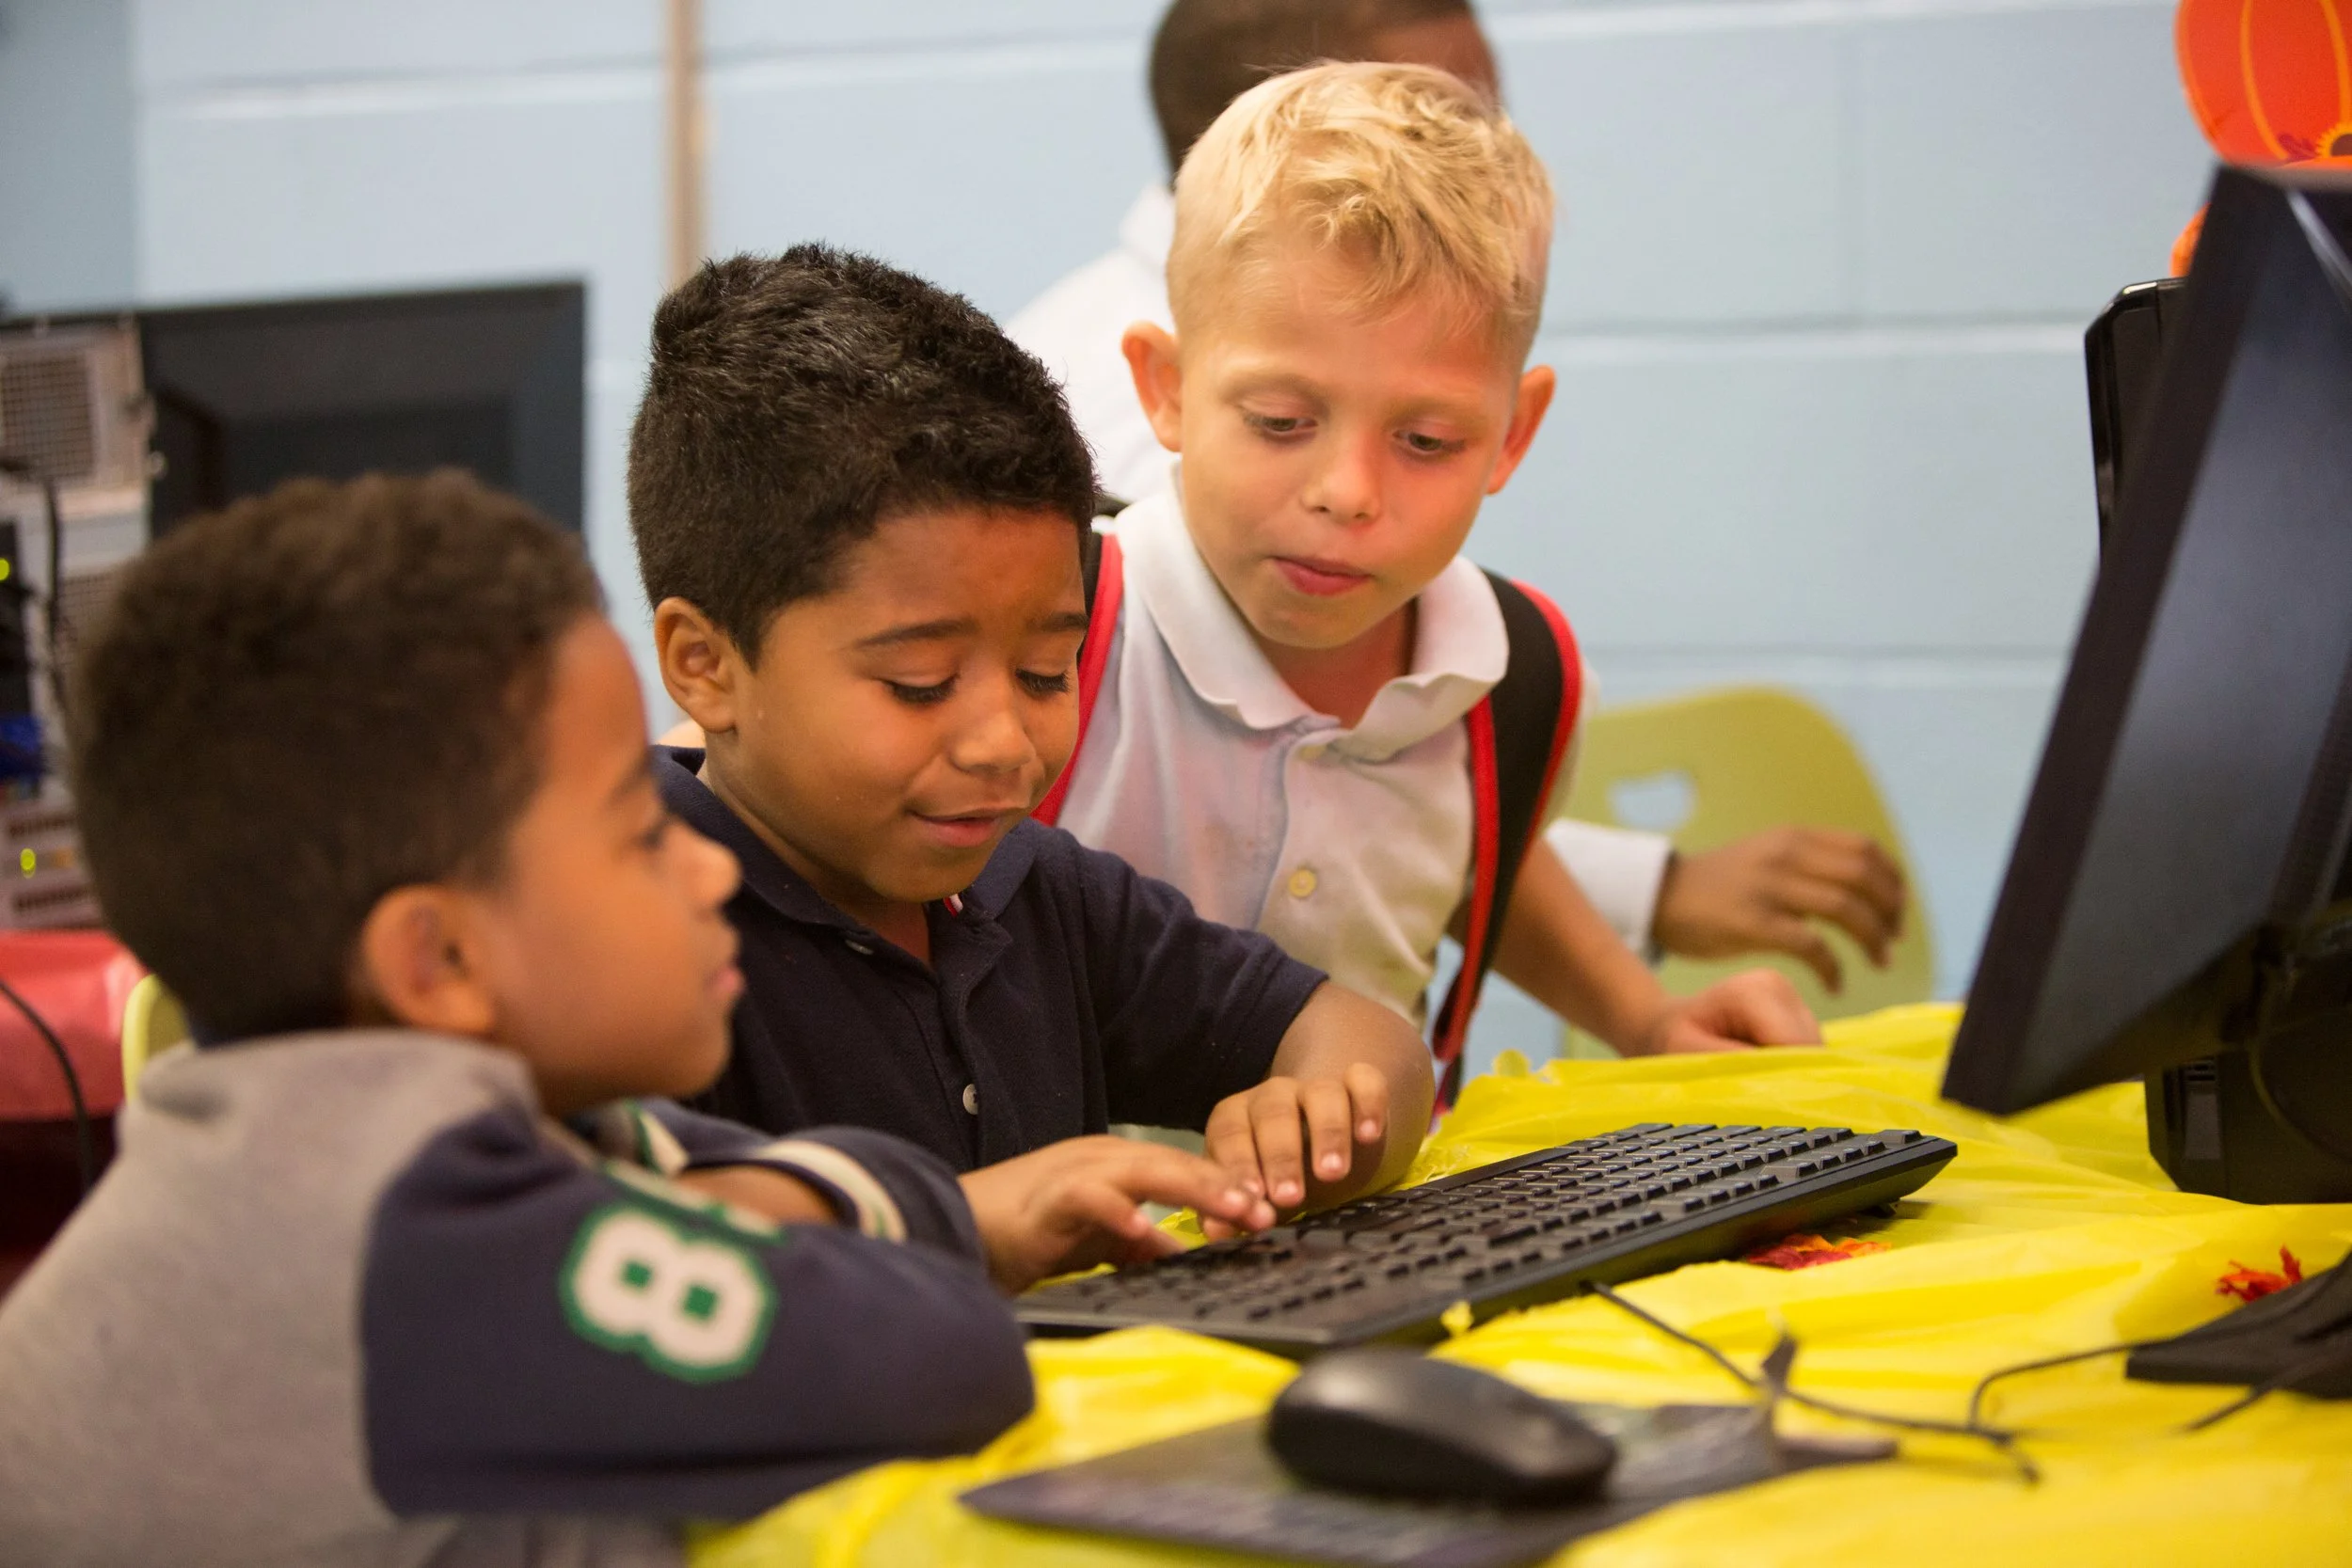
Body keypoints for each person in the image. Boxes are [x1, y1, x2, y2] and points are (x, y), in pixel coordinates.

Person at [0, 472, 1282, 1566]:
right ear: (436, 959)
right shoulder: (421, 1234)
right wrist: (834, 1207)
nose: (705, 867)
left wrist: (755, 1199)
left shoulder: (270, 1148)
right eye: (633, 830)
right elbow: (947, 1357)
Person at [1008, 0, 1908, 990]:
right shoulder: (1053, 536)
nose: (1348, 494)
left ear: (1510, 435)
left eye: (1427, 441)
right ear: (1166, 392)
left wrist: (1643, 1013)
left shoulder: (1507, 663)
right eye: (1277, 423)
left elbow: (1429, 830)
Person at [633, 246, 1434, 1221]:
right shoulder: (630, 932)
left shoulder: (1031, 891)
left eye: (1045, 671)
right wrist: (969, 1226)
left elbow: (1365, 1039)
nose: (1003, 742)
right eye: (919, 683)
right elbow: (615, 1246)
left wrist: (1325, 1117)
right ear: (703, 663)